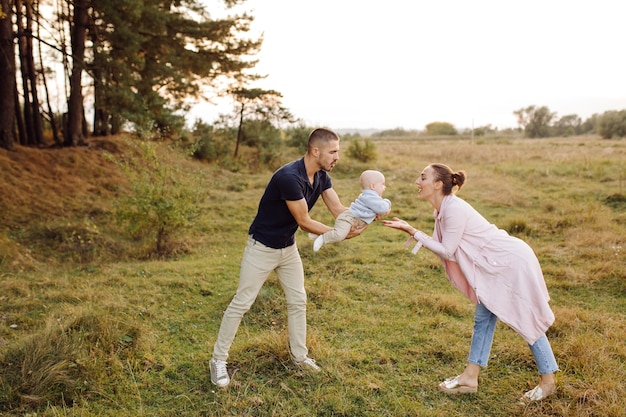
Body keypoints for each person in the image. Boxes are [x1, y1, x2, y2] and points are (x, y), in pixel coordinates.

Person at [382, 163, 558, 402]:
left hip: (509, 263)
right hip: (493, 266)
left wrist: (412, 231)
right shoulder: (442, 210)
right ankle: (470, 377)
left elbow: (447, 250)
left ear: (438, 184)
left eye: (423, 177)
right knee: (483, 319)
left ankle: (548, 382)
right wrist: (414, 232)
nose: (417, 181)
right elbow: (453, 252)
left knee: (525, 317)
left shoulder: (453, 209)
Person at [209, 128, 366, 388]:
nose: (338, 156)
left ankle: (299, 357)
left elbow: (339, 209)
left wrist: (365, 215)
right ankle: (218, 361)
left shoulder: (322, 176)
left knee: (298, 301)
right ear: (316, 151)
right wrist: (338, 234)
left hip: (287, 248)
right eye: (334, 151)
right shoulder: (289, 177)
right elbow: (304, 221)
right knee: (242, 303)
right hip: (262, 248)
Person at [309, 169, 391, 252]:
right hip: (349, 218)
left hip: (354, 219)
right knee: (340, 235)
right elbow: (382, 208)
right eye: (383, 184)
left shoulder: (372, 197)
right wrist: (388, 203)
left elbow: (379, 208)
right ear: (373, 186)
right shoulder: (369, 197)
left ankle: (319, 234)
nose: (385, 187)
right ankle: (323, 238)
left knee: (341, 233)